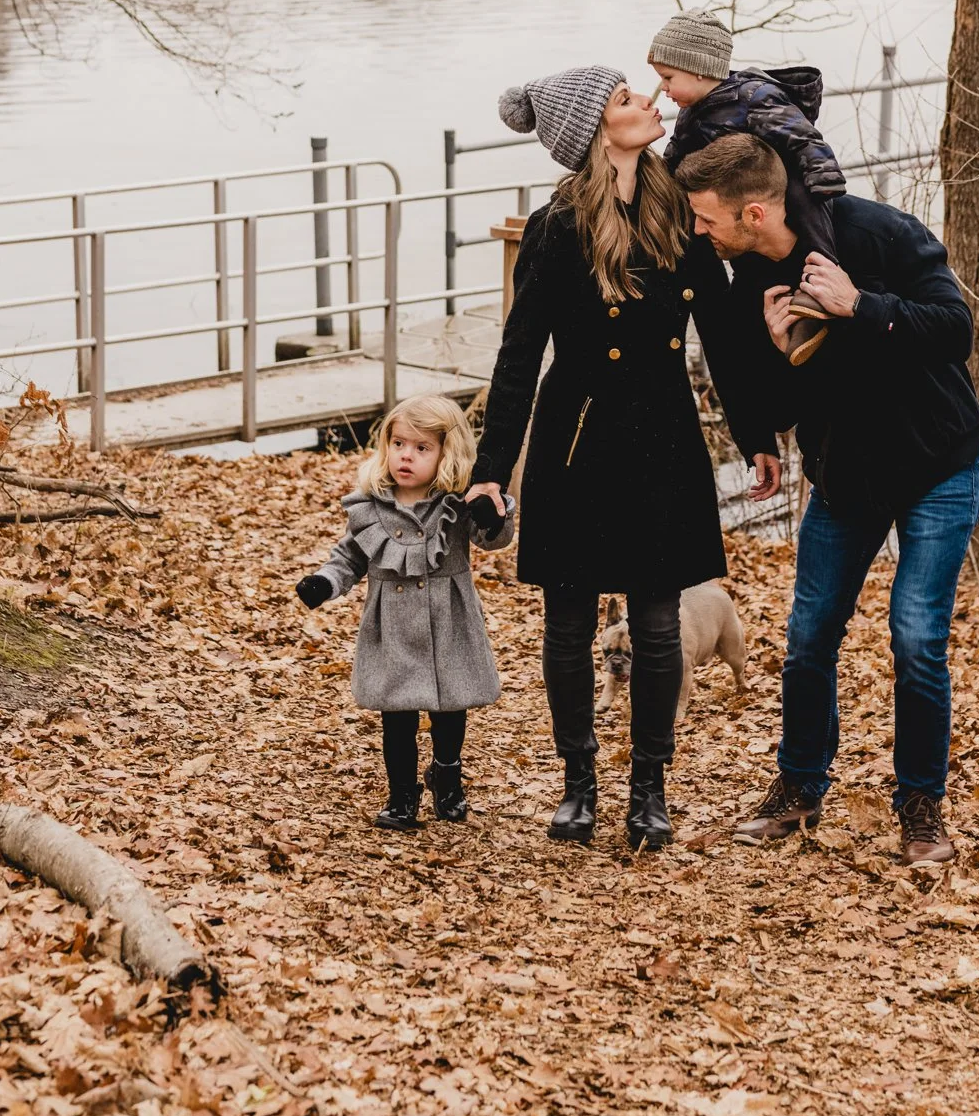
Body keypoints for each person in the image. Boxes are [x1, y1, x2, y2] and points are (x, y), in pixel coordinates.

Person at [465, 65, 777, 851]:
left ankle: (649, 789)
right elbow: (518, 352)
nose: (651, 103)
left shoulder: (682, 213)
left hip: (663, 435)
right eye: (628, 100)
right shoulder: (556, 225)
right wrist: (491, 466)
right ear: (597, 129)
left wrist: (756, 434)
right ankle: (578, 786)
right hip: (575, 436)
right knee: (567, 621)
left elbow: (728, 335)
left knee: (657, 621)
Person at [675, 133, 979, 868]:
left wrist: (861, 306)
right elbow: (779, 405)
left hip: (934, 464)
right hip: (844, 473)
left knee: (915, 641)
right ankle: (799, 787)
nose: (697, 232)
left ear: (753, 211)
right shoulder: (748, 276)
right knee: (809, 637)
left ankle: (919, 805)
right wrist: (778, 351)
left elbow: (955, 331)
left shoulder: (875, 232)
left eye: (704, 218)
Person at [295, 394, 515, 831]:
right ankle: (401, 796)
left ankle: (447, 778)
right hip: (392, 624)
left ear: (445, 454)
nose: (406, 456)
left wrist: (494, 515)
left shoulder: (455, 501)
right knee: (397, 714)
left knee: (451, 708)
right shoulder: (371, 506)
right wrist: (325, 583)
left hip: (449, 619)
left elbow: (492, 540)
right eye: (398, 444)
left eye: (421, 448)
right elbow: (350, 557)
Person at [647, 8, 846, 365]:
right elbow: (676, 157)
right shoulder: (693, 112)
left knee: (808, 208)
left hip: (782, 183)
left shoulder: (753, 97)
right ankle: (777, 323)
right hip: (737, 204)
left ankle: (819, 286)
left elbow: (803, 138)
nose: (663, 88)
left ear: (697, 68)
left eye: (667, 77)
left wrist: (822, 176)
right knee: (747, 259)